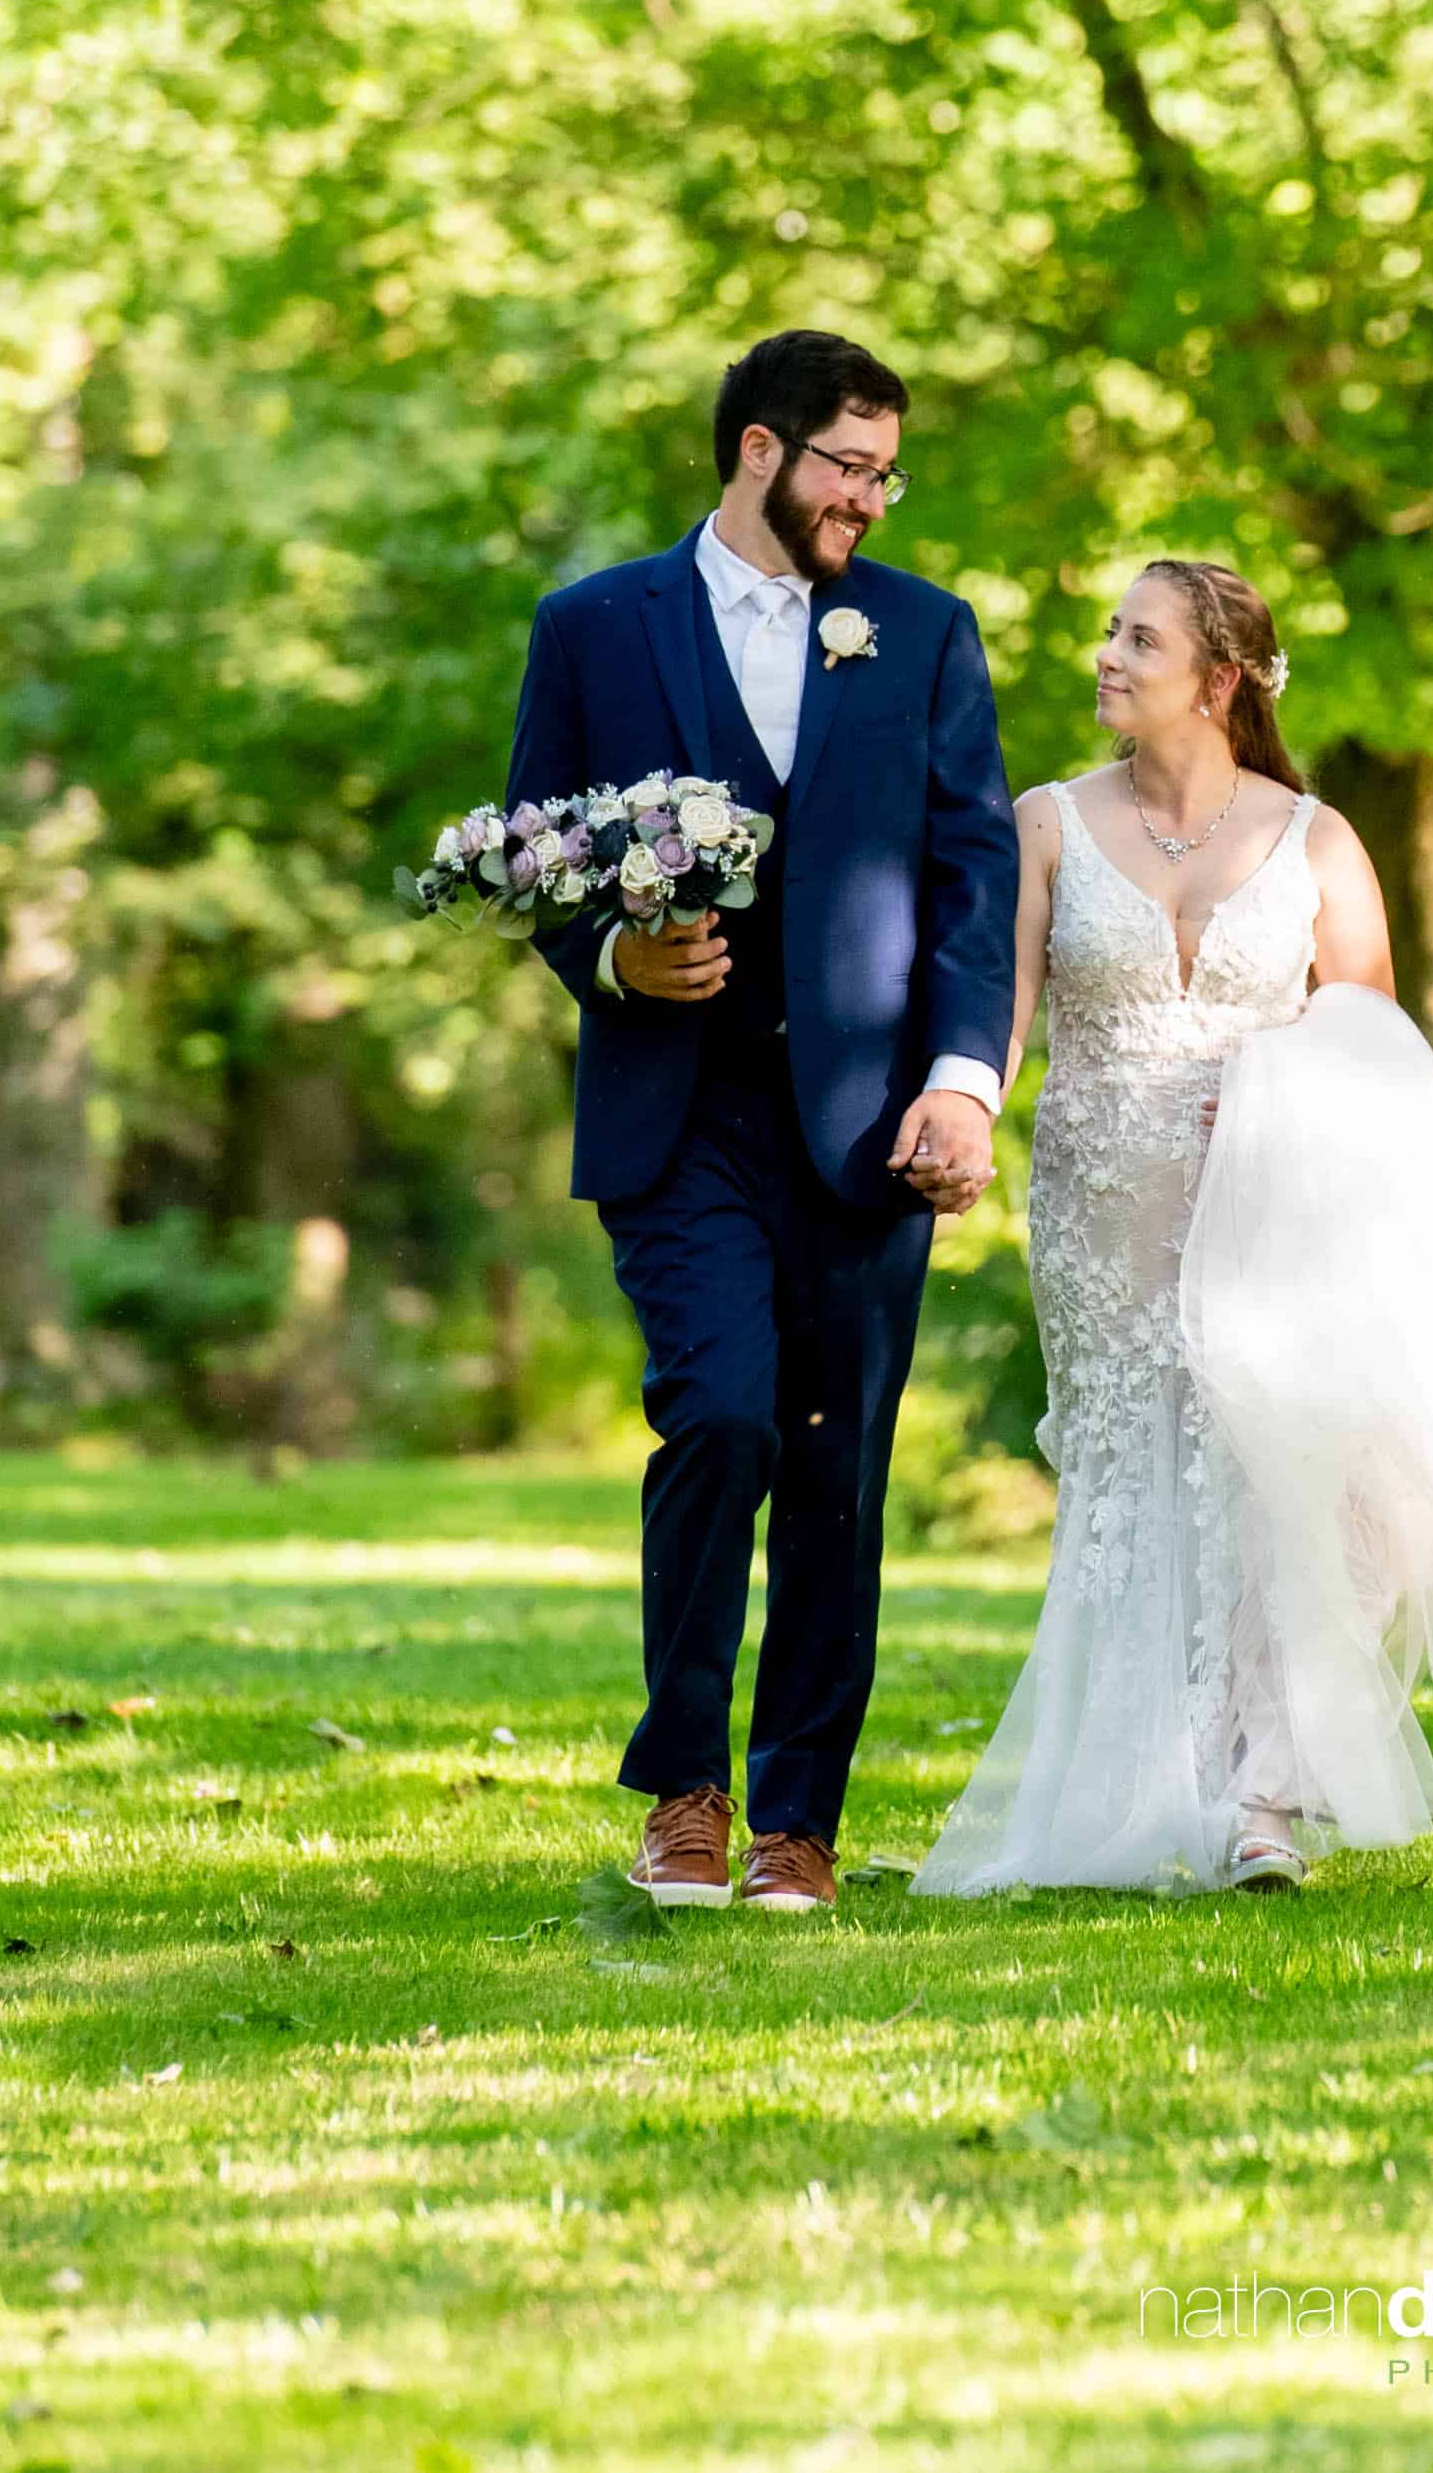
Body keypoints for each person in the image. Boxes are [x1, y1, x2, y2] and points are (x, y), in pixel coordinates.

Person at [913, 558, 1433, 1899]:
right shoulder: (1049, 823)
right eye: (1111, 634)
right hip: (1102, 1204)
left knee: (1273, 1479)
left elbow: (1367, 1045)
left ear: (1220, 680)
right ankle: (1126, 1786)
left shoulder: (1317, 842)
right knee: (1131, 1478)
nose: (1106, 657)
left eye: (1138, 639)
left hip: (1275, 1207)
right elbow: (995, 1008)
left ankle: (1263, 1796)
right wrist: (970, 1119)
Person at [502, 330, 1011, 1914]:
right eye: (849, 466)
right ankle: (684, 1789)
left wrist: (961, 1077)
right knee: (717, 1418)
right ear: (757, 452)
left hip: (869, 1124)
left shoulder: (921, 634)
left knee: (838, 1466)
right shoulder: (593, 628)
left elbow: (970, 876)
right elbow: (537, 856)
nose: (871, 498)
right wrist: (614, 956)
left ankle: (800, 1816)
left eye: (884, 471)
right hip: (682, 1116)